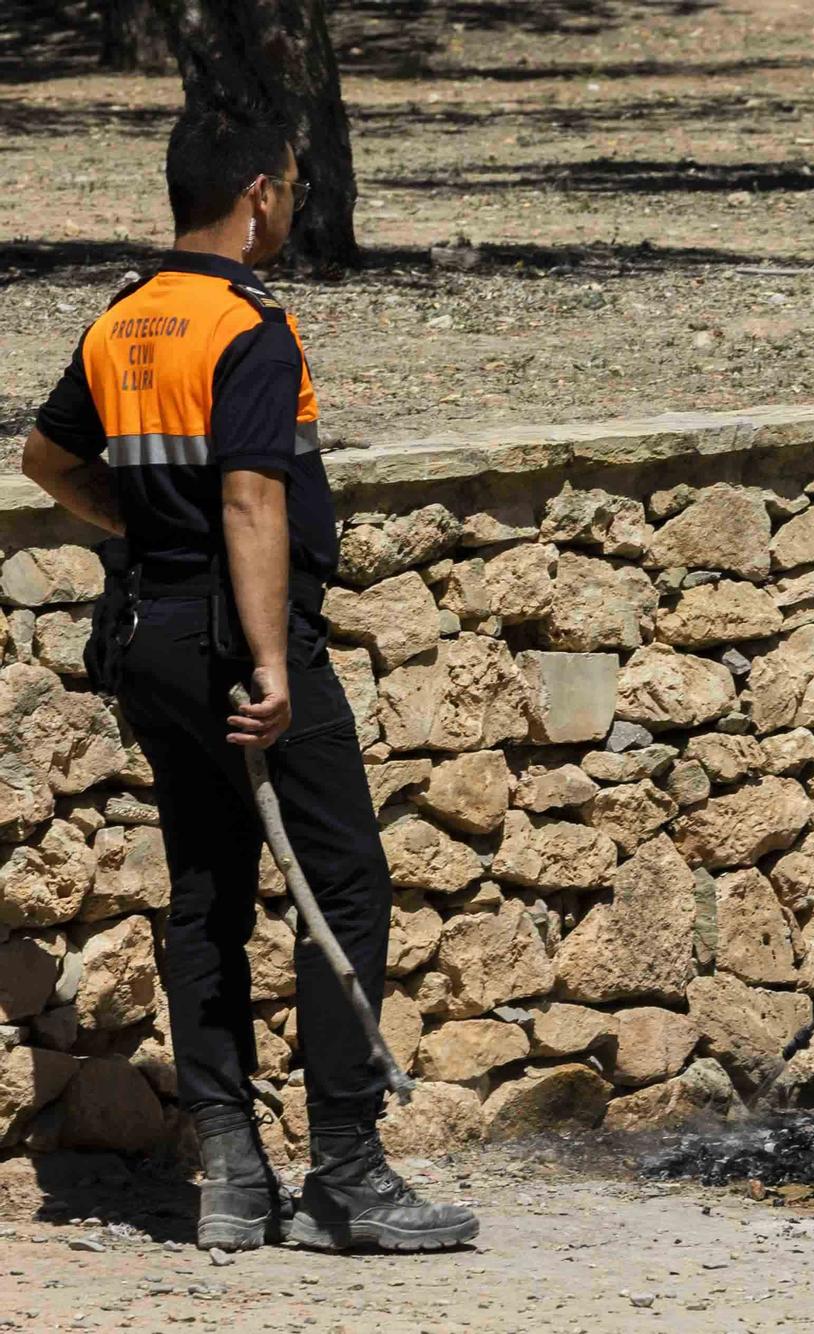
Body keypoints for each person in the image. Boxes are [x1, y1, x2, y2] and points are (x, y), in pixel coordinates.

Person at [20, 107, 476, 1253]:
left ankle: (229, 1169)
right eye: (290, 185)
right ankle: (346, 1175)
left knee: (206, 893)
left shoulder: (122, 319)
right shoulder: (248, 329)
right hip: (238, 646)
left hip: (153, 641)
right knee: (346, 879)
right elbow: (253, 499)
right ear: (258, 196)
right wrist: (271, 662)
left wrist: (131, 521)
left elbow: (45, 456)